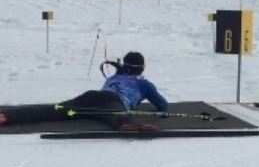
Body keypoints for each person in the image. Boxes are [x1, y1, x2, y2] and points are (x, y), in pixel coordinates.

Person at [0, 51, 169, 131]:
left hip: (90, 98)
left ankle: (7, 116)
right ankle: (129, 126)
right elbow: (162, 105)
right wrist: (159, 110)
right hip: (113, 102)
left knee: (53, 110)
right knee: (116, 115)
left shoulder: (115, 76)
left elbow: (121, 71)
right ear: (142, 68)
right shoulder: (145, 84)